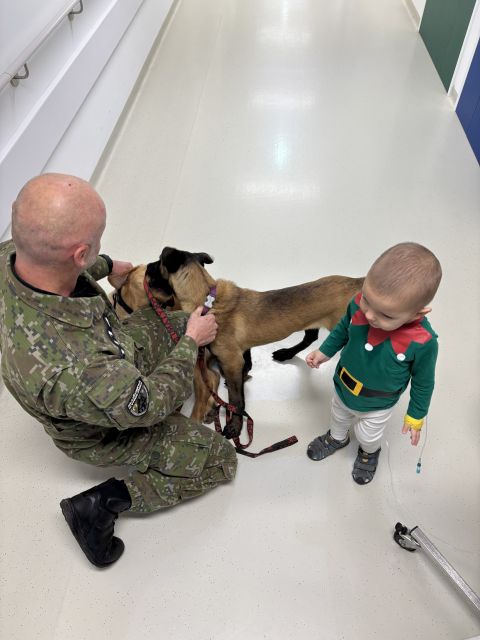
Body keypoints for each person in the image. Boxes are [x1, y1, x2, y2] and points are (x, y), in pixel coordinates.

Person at [0, 173, 237, 567]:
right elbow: (149, 405)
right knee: (219, 460)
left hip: (109, 351)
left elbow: (59, 266)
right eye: (97, 242)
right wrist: (191, 344)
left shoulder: (12, 253)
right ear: (79, 254)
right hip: (103, 429)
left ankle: (185, 340)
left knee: (181, 322)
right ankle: (101, 505)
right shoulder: (80, 369)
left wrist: (106, 265)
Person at [305, 242, 442, 485]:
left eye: (386, 315)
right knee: (338, 419)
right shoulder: (358, 303)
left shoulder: (423, 342)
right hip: (343, 387)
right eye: (367, 300)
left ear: (417, 314)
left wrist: (416, 415)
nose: (369, 315)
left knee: (368, 436)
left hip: (378, 403)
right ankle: (337, 438)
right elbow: (343, 329)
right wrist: (324, 351)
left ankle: (369, 453)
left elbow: (423, 382)